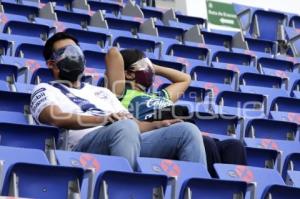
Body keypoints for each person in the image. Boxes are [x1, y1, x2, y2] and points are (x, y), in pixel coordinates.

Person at [30, 32, 207, 171]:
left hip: (123, 137)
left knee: (187, 130)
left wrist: (159, 125)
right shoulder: (45, 89)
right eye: (65, 52)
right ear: (51, 63)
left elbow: (134, 124)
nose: (73, 55)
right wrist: (103, 119)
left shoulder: (102, 92)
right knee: (124, 126)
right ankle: (126, 189)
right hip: (81, 148)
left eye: (75, 50)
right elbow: (54, 117)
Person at [105, 48, 247, 177]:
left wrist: (153, 67)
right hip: (152, 132)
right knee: (205, 141)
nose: (149, 71)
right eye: (144, 66)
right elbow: (113, 54)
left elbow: (185, 79)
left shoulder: (160, 96)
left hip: (180, 128)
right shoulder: (120, 93)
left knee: (234, 146)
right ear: (128, 73)